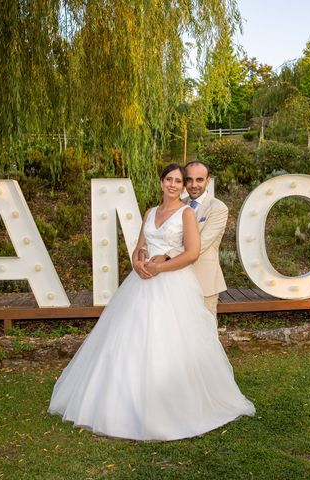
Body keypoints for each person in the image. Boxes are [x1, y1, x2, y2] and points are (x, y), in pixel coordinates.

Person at [48, 164, 255, 441]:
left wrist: (161, 268)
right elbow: (139, 246)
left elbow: (193, 253)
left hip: (172, 284)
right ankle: (124, 403)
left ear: (183, 187)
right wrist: (137, 261)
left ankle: (176, 405)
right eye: (169, 179)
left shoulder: (187, 214)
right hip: (140, 285)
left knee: (173, 343)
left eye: (178, 181)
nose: (173, 184)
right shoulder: (150, 212)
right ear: (161, 182)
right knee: (130, 340)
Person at [141, 161, 228, 321]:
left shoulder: (217, 208)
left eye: (199, 180)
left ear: (208, 180)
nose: (194, 185)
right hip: (173, 280)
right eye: (189, 180)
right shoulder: (178, 204)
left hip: (203, 281)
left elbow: (200, 244)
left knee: (203, 332)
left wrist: (165, 256)